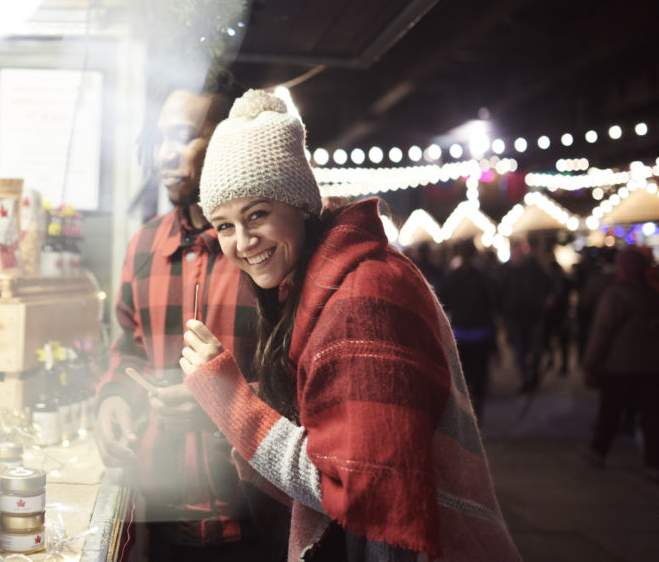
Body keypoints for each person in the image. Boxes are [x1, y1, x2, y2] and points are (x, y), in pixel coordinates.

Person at [179, 90, 520, 561]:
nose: (242, 241)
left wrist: (230, 401)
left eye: (256, 214)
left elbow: (356, 487)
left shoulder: (362, 296)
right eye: (223, 225)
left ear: (298, 202)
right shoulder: (319, 285)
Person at [94, 69, 287, 560]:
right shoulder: (144, 246)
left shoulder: (264, 253)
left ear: (224, 142)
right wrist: (113, 398)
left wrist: (225, 405)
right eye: (159, 139)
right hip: (162, 514)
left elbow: (308, 385)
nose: (163, 154)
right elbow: (128, 346)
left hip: (260, 518)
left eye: (181, 139)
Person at [581, 248, 659, 482]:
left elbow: (602, 333)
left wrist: (590, 363)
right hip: (651, 366)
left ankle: (598, 452)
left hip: (619, 365)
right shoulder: (653, 294)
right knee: (651, 417)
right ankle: (653, 463)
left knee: (610, 411)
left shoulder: (616, 294)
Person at [439, 238, 498, 424]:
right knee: (472, 377)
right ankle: (473, 414)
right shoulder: (480, 276)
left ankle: (472, 413)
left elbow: (444, 302)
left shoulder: (459, 277)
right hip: (471, 332)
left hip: (470, 332)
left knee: (469, 377)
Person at [498, 237, 556, 393]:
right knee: (519, 351)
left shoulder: (535, 267)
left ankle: (534, 376)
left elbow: (552, 284)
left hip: (534, 315)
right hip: (515, 317)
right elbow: (499, 292)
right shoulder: (505, 270)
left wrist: (549, 298)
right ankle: (527, 379)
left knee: (536, 349)